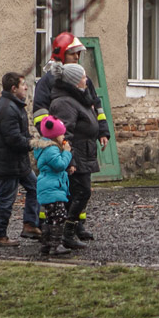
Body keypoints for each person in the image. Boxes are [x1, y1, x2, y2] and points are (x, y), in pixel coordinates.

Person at [32, 32, 107, 244]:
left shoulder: (82, 79)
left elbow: (95, 106)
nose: (77, 59)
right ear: (61, 54)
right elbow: (40, 113)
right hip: (60, 144)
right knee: (60, 187)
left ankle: (75, 226)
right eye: (73, 54)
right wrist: (53, 137)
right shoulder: (48, 82)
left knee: (79, 188)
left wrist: (102, 129)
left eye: (78, 55)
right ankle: (50, 229)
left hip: (82, 145)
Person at [0, 72, 43, 247]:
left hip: (17, 162)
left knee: (36, 187)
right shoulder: (8, 108)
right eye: (22, 84)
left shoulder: (13, 105)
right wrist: (34, 143)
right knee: (6, 198)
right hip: (7, 163)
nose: (26, 87)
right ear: (13, 88)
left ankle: (30, 225)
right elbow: (13, 139)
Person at [49, 63, 100, 249]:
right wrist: (70, 159)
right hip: (76, 155)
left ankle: (70, 231)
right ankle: (66, 234)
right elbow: (64, 134)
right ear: (74, 81)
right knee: (81, 192)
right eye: (83, 77)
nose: (86, 80)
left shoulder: (79, 99)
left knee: (78, 194)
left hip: (84, 152)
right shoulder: (64, 103)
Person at [33, 116, 73, 257]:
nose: (63, 136)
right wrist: (67, 152)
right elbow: (59, 165)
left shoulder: (47, 148)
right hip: (52, 189)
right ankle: (56, 245)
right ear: (55, 135)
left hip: (49, 187)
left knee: (51, 217)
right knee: (59, 216)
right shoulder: (51, 149)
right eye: (61, 133)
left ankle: (46, 245)